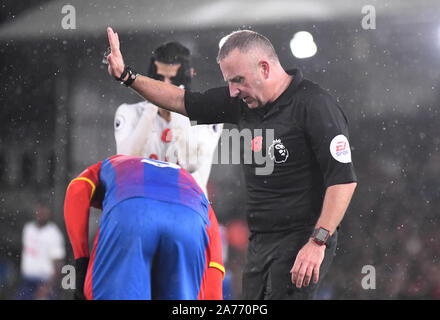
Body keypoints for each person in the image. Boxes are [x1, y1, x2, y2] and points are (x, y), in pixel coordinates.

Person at [105, 27, 357, 299]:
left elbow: (343, 180)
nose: (233, 91)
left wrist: (318, 242)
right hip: (261, 239)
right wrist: (127, 76)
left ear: (264, 68)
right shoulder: (241, 102)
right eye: (229, 82)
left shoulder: (315, 105)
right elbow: (180, 100)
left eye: (238, 80)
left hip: (302, 237)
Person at [63, 155, 224, 300]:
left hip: (133, 213)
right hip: (190, 221)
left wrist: (81, 261)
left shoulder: (109, 164)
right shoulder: (193, 187)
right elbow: (215, 268)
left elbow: (76, 189)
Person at [113, 41, 223, 196]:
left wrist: (176, 101)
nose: (165, 85)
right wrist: (152, 102)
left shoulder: (209, 115)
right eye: (159, 78)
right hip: (144, 209)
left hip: (187, 211)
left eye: (173, 79)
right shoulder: (129, 113)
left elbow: (190, 162)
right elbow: (126, 165)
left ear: (188, 76)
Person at [16, 202, 66, 300]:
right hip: (27, 280)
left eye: (44, 211)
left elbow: (58, 264)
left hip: (44, 282)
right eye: (39, 210)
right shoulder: (28, 229)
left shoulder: (54, 233)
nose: (41, 214)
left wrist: (47, 287)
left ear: (49, 213)